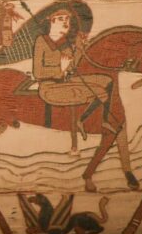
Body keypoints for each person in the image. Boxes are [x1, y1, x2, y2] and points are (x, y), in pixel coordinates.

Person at [32, 8, 113, 138]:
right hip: (49, 88)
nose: (65, 22)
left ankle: (104, 120)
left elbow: (72, 67)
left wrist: (80, 48)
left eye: (67, 19)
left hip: (65, 81)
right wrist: (60, 69)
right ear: (52, 21)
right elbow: (38, 73)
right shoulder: (42, 41)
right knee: (101, 93)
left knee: (106, 80)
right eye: (61, 19)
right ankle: (81, 120)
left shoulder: (65, 43)